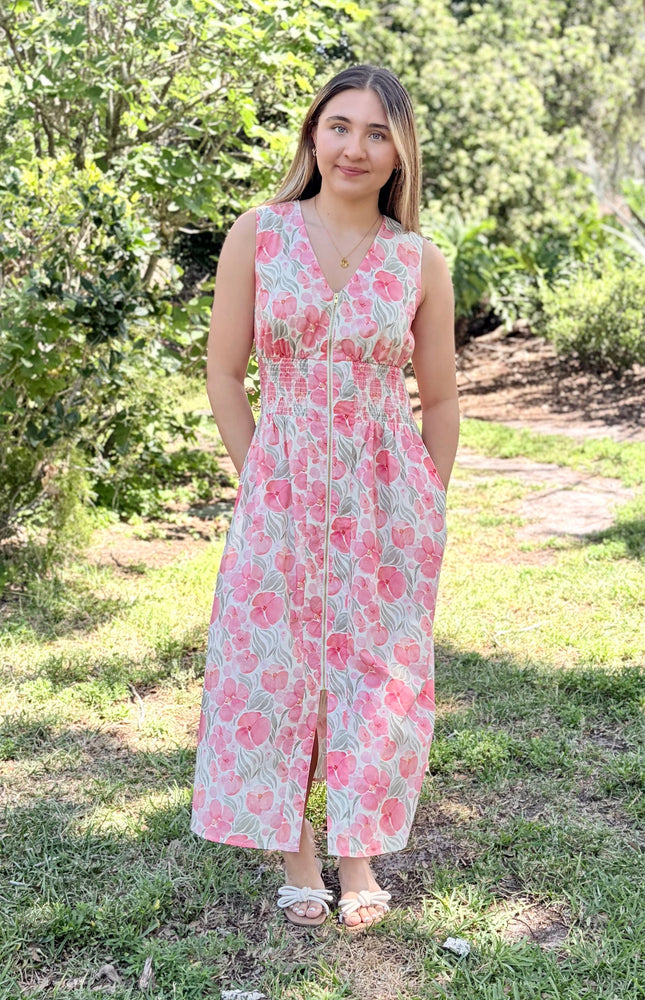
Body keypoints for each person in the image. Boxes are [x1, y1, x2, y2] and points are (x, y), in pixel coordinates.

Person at [190, 63, 459, 931]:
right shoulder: (259, 233)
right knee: (274, 663)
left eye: (378, 133)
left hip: (385, 498)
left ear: (399, 154)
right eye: (340, 126)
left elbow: (441, 398)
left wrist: (425, 500)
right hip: (281, 486)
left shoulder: (418, 259)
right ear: (314, 133)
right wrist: (259, 476)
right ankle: (296, 853)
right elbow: (224, 373)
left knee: (374, 672)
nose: (355, 147)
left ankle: (358, 853)